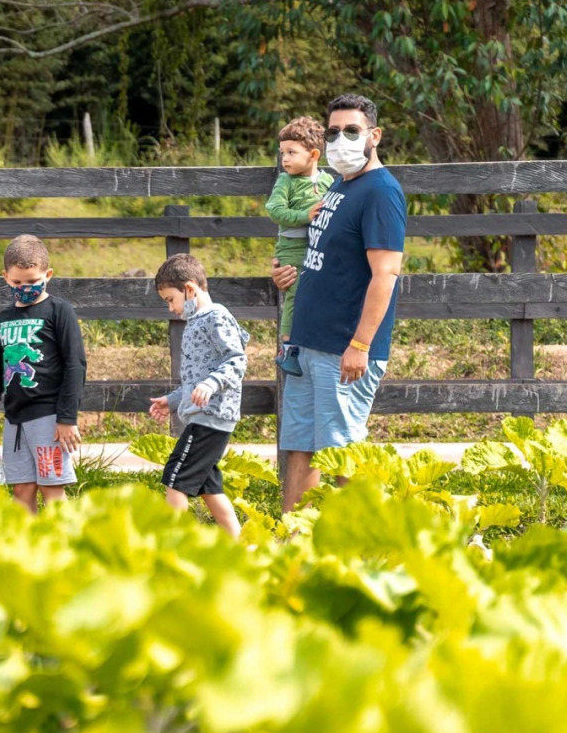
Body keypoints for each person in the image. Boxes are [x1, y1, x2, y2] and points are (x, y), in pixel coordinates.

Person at [271, 93, 407, 513]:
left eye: (352, 130)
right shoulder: (339, 186)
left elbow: (386, 274)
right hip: (309, 342)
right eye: (333, 132)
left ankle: (365, 539)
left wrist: (360, 345)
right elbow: (322, 254)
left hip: (344, 348)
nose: (340, 139)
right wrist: (286, 272)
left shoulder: (381, 192)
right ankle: (293, 537)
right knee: (301, 447)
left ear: (374, 135)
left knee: (343, 452)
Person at [0, 236, 86, 514]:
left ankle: (63, 542)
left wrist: (67, 418)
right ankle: (25, 542)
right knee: (21, 490)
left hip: (48, 418)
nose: (25, 288)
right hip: (14, 419)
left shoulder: (59, 311)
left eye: (33, 281)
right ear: (5, 277)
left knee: (52, 489)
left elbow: (75, 364)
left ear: (48, 275)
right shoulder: (5, 318)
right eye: (17, 282)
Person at [149, 254, 246, 538]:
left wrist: (213, 383)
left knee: (175, 477)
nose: (171, 308)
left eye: (171, 299)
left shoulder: (216, 317)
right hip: (204, 415)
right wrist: (172, 400)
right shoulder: (196, 321)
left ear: (190, 289)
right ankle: (240, 544)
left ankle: (172, 544)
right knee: (209, 487)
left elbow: (237, 360)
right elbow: (195, 380)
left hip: (211, 417)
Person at [266, 116, 333, 377]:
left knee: (319, 291)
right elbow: (274, 210)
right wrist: (305, 215)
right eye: (282, 152)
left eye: (291, 152)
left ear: (313, 155)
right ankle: (288, 348)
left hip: (319, 248)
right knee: (295, 293)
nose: (284, 159)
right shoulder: (286, 181)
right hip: (292, 248)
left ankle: (316, 338)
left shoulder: (328, 181)